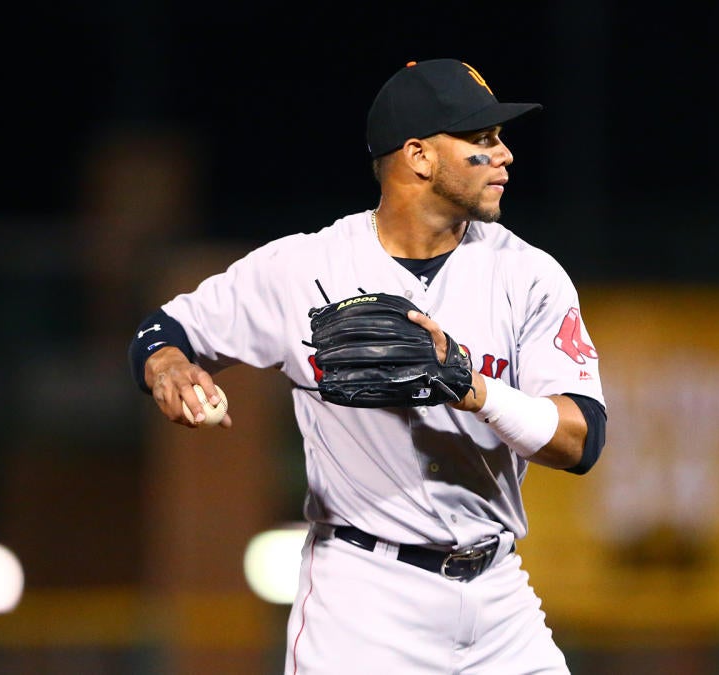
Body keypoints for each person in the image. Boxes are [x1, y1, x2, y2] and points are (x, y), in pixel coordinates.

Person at [128, 58, 607, 674]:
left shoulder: (529, 275)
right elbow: (162, 331)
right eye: (482, 140)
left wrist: (471, 387)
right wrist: (168, 367)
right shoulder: (305, 269)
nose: (505, 154)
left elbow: (582, 439)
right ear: (419, 157)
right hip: (362, 600)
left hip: (497, 592)